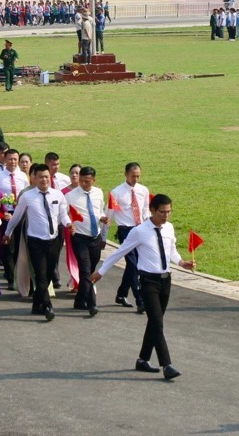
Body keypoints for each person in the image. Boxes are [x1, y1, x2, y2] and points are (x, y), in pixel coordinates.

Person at [91, 194, 195, 380]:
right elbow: (120, 252)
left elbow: (171, 250)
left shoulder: (169, 228)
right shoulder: (139, 231)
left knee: (155, 322)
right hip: (148, 282)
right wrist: (101, 271)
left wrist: (181, 262)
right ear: (153, 210)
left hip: (166, 280)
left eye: (169, 211)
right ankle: (167, 365)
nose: (166, 216)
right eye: (162, 212)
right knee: (157, 322)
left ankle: (142, 359)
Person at [4, 163, 72, 321]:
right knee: (41, 275)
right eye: (40, 176)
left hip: (53, 240)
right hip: (35, 241)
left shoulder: (58, 195)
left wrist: (68, 224)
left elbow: (63, 215)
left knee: (48, 274)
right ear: (34, 178)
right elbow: (16, 217)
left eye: (46, 177)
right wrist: (8, 233)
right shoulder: (27, 196)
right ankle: (47, 306)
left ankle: (36, 303)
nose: (44, 180)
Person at [108, 162, 150, 312]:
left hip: (140, 230)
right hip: (125, 231)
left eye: (138, 176)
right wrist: (103, 237)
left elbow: (146, 210)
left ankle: (121, 294)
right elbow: (110, 215)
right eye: (133, 176)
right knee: (133, 264)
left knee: (133, 265)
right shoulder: (116, 192)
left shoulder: (143, 190)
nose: (136, 179)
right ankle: (140, 300)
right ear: (126, 174)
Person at [65, 166, 107, 316]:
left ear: (94, 181)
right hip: (80, 238)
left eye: (87, 182)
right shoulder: (70, 196)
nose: (84, 184)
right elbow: (63, 214)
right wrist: (69, 224)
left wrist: (102, 217)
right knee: (84, 270)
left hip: (95, 237)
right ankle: (92, 304)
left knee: (90, 270)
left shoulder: (98, 193)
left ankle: (79, 300)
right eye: (82, 181)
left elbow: (99, 210)